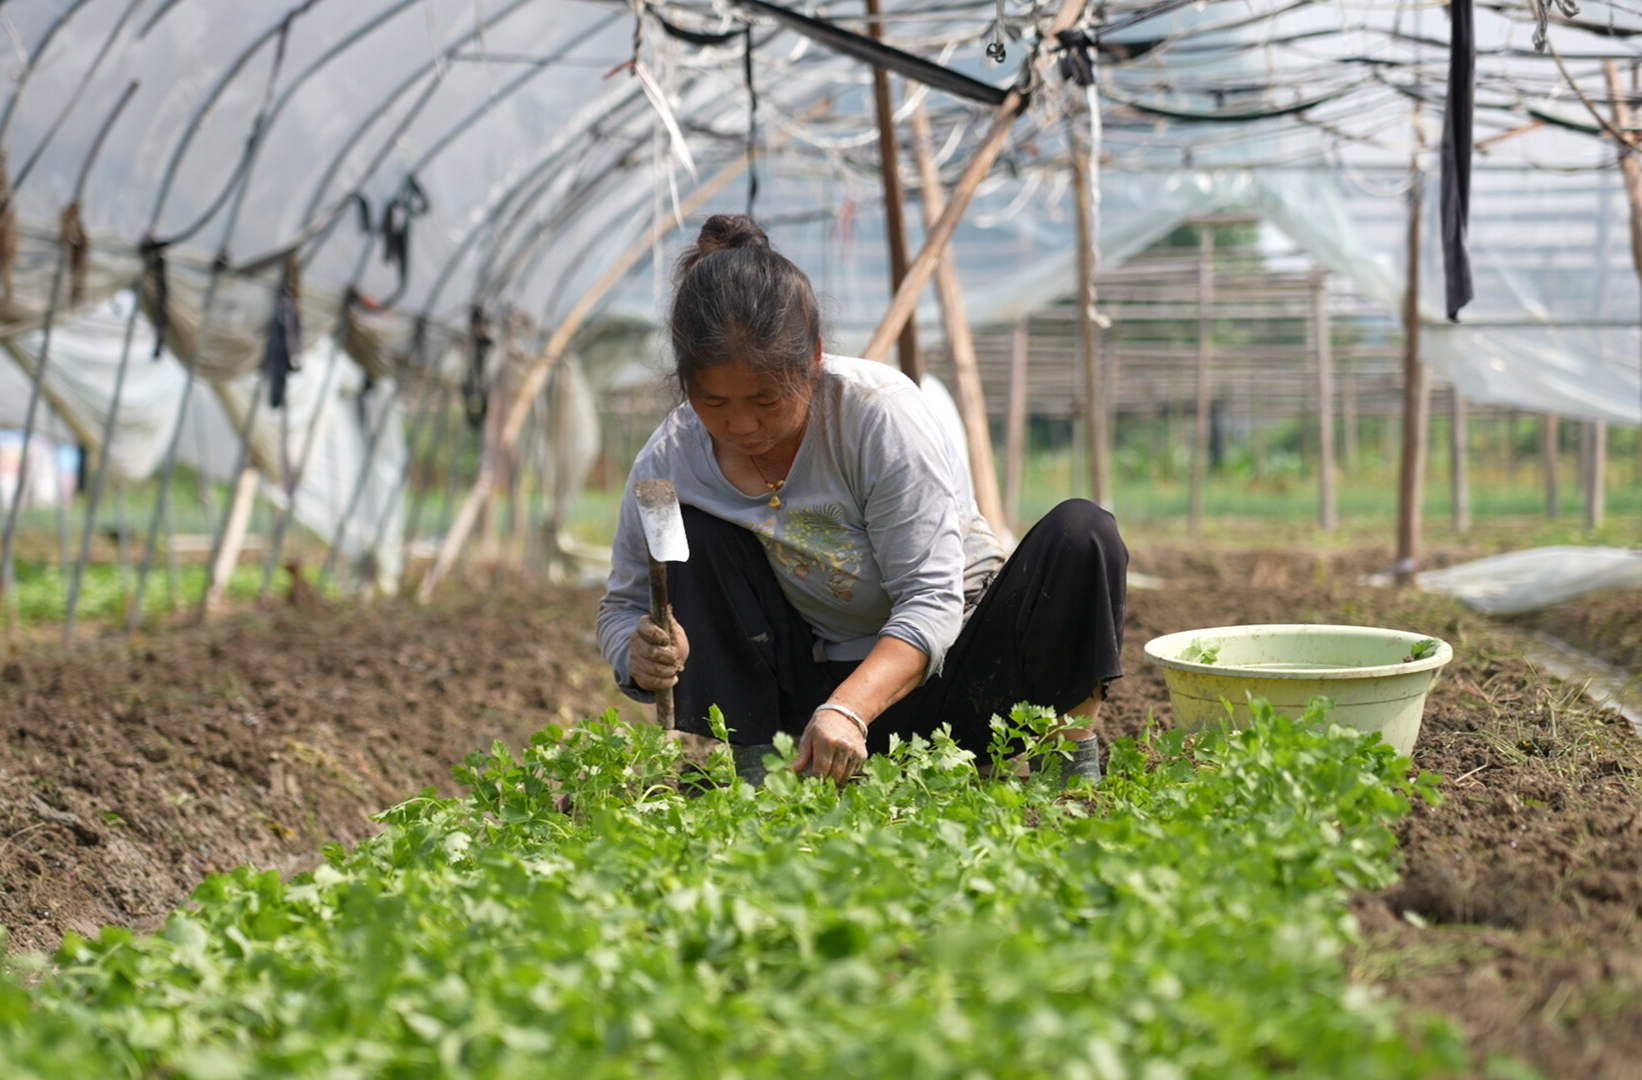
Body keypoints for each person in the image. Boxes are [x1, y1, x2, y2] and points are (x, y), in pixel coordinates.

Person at [596, 214, 1127, 786]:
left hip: (959, 673)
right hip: (812, 711)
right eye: (714, 403)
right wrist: (637, 652)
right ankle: (763, 774)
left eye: (765, 399)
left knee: (1082, 534)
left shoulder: (878, 416)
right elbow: (623, 606)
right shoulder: (668, 461)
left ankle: (1068, 764)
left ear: (814, 358)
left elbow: (930, 598)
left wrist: (850, 709)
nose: (741, 424)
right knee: (698, 536)